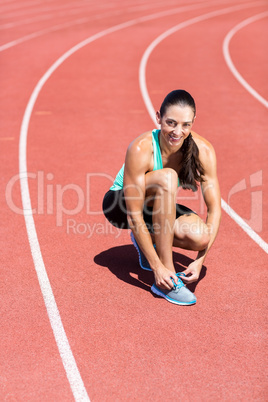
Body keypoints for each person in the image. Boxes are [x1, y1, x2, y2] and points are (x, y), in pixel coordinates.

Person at [102, 89, 221, 305]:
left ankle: (150, 239)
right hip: (121, 204)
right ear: (158, 118)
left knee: (200, 237)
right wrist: (158, 268)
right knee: (167, 177)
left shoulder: (203, 150)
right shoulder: (141, 147)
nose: (177, 131)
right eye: (171, 123)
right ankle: (167, 281)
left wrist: (200, 260)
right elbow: (133, 215)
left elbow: (214, 208)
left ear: (194, 122)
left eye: (186, 124)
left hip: (155, 207)